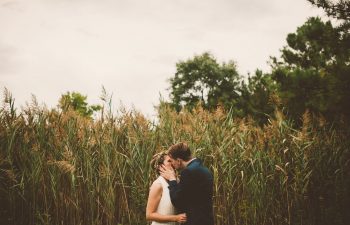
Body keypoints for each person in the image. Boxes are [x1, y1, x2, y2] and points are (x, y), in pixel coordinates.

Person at [160, 142, 214, 225]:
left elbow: (178, 201)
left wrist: (172, 179)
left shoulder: (188, 172)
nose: (172, 164)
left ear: (179, 161)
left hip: (195, 221)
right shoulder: (204, 169)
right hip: (207, 220)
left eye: (172, 161)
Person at [146, 152, 187, 225]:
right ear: (160, 167)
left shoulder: (176, 181)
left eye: (172, 160)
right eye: (169, 161)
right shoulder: (158, 184)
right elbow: (149, 215)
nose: (173, 163)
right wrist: (176, 218)